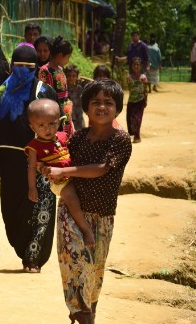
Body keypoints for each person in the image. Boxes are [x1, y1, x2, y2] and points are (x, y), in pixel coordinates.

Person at [43, 79, 131, 324]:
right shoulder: (77, 138)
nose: (101, 107)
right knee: (75, 267)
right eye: (95, 102)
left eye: (108, 103)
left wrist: (66, 171)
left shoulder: (120, 140)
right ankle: (82, 317)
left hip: (101, 217)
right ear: (86, 107)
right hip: (70, 213)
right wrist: (46, 166)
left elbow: (102, 169)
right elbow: (57, 161)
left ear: (117, 108)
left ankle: (87, 317)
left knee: (94, 275)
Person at [0, 44, 58, 273]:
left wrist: (55, 159)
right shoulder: (1, 92)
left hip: (40, 161)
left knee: (40, 209)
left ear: (36, 68)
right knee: (11, 212)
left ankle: (34, 257)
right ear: (11, 66)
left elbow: (56, 124)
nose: (23, 71)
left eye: (28, 67)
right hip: (10, 163)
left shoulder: (43, 91)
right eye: (18, 66)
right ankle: (22, 249)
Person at [25, 99, 94, 248]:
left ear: (58, 121)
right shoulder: (33, 147)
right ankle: (86, 229)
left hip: (73, 174)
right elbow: (31, 167)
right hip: (59, 182)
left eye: (52, 123)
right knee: (71, 197)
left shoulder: (63, 136)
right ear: (32, 127)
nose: (47, 129)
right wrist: (32, 188)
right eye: (41, 125)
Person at [38, 36, 74, 135]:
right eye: (68, 57)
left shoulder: (60, 69)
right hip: (55, 114)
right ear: (60, 56)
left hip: (65, 113)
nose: (68, 60)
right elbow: (43, 95)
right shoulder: (45, 70)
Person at [125, 57, 148, 144]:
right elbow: (129, 89)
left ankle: (137, 136)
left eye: (138, 64)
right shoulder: (129, 78)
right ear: (131, 66)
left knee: (138, 119)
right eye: (134, 64)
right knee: (131, 119)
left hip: (140, 101)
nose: (136, 66)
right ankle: (133, 133)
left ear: (141, 66)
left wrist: (145, 100)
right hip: (131, 101)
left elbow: (145, 89)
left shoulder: (143, 78)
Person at [65, 64, 85, 130]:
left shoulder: (80, 89)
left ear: (77, 77)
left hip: (79, 116)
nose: (71, 78)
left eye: (73, 76)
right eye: (69, 76)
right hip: (68, 117)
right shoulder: (63, 90)